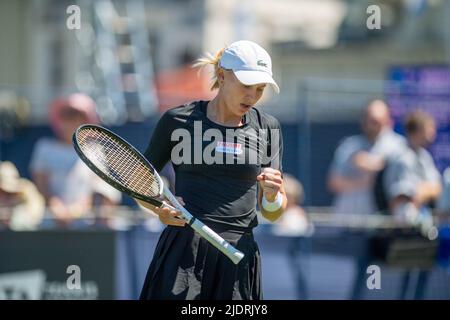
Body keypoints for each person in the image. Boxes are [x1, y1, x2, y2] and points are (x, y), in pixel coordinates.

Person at [137, 40, 287, 300]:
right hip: (184, 251)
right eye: (246, 86)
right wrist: (157, 207)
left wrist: (273, 198)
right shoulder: (177, 121)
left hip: (239, 255)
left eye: (260, 88)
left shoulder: (268, 127)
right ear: (221, 76)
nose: (252, 96)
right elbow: (138, 178)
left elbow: (272, 213)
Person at [29, 93, 121, 228]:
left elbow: (98, 187)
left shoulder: (95, 151)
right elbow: (40, 183)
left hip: (84, 225)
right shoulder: (45, 147)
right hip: (49, 222)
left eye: (76, 117)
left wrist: (78, 209)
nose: (70, 122)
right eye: (66, 117)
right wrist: (56, 207)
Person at [383, 110, 442, 300]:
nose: (433, 132)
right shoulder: (402, 158)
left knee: (421, 278)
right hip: (404, 232)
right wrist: (423, 192)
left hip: (422, 230)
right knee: (403, 280)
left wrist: (424, 191)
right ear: (419, 130)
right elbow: (404, 197)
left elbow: (436, 188)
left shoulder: (423, 156)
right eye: (429, 127)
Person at [327, 100, 406, 215]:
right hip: (347, 221)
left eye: (376, 121)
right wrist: (362, 183)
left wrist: (376, 165)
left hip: (382, 222)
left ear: (387, 121)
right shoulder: (349, 146)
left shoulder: (398, 145)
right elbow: (333, 182)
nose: (371, 125)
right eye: (369, 120)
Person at [0, 161, 45, 230]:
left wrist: (15, 216)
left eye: (10, 194)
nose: (6, 195)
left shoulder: (26, 191)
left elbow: (36, 213)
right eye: (2, 192)